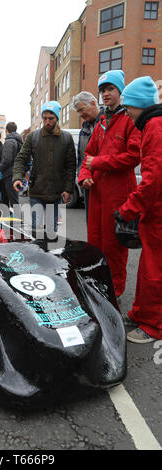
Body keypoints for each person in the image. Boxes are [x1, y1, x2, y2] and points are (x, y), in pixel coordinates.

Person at [78, 70, 141, 299]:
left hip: (118, 194)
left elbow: (134, 156)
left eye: (110, 89)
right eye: (102, 90)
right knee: (95, 242)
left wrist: (98, 163)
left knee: (114, 246)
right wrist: (84, 175)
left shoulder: (129, 120)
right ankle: (98, 284)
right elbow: (88, 155)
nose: (105, 94)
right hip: (97, 193)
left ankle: (114, 292)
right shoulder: (103, 121)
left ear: (120, 91)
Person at [115, 76, 162, 343]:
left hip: (158, 213)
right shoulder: (152, 125)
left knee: (155, 271)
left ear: (139, 104)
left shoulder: (154, 127)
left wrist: (128, 209)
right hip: (155, 212)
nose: (128, 113)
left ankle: (154, 326)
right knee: (147, 267)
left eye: (129, 107)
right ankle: (141, 313)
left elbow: (154, 179)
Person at [13, 100, 76, 236]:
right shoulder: (33, 137)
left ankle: (46, 254)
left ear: (57, 118)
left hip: (56, 193)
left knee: (51, 231)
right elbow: (21, 159)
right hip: (37, 191)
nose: (47, 121)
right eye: (45, 118)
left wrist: (68, 189)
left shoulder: (66, 138)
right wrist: (18, 177)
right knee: (35, 230)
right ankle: (37, 254)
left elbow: (71, 166)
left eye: (51, 118)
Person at [71, 92, 104, 222]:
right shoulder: (83, 131)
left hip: (105, 184)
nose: (80, 115)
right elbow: (81, 158)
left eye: (81, 110)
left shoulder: (108, 122)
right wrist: (83, 176)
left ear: (93, 103)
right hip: (89, 186)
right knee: (91, 224)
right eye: (78, 112)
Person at [0, 122, 22, 209]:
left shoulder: (9, 141)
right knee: (14, 199)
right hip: (16, 172)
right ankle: (16, 219)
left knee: (13, 200)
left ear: (6, 131)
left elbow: (7, 160)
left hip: (10, 174)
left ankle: (17, 220)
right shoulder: (18, 140)